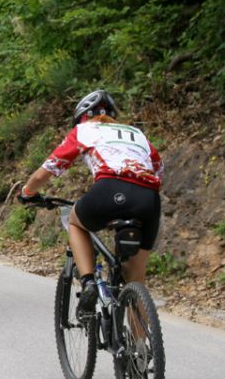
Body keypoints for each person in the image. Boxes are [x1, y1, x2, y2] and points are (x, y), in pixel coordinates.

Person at [18, 90, 163, 313]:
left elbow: (47, 171)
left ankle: (88, 283)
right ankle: (142, 346)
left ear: (83, 117)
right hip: (148, 198)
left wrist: (27, 192)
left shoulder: (84, 130)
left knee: (75, 221)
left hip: (110, 188)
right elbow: (158, 169)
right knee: (136, 280)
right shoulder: (137, 133)